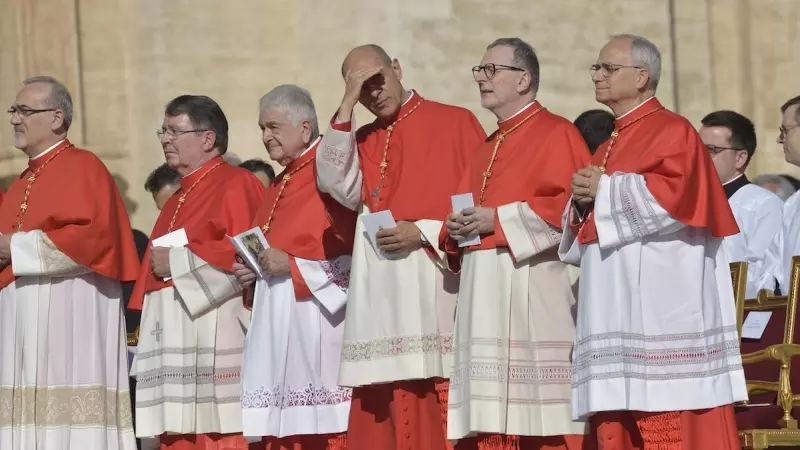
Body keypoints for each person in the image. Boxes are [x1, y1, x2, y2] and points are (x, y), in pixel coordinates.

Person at [559, 34, 746, 449]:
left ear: (642, 77)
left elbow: (676, 198)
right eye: (597, 68)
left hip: (659, 301)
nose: (598, 76)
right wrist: (581, 200)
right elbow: (591, 220)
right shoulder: (609, 142)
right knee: (616, 408)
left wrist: (604, 191)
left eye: (608, 68)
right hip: (612, 299)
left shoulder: (673, 130)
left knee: (660, 408)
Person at [316, 44, 487, 449]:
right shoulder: (363, 138)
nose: (374, 93)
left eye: (378, 80)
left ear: (397, 68)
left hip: (434, 277)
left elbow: (476, 205)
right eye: (362, 89)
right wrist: (345, 105)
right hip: (383, 290)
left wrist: (423, 231)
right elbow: (331, 181)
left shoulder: (455, 122)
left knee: (433, 394)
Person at [441, 38, 591, 449]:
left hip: (532, 280)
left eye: (491, 70)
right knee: (489, 417)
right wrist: (455, 226)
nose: (481, 79)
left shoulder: (558, 132)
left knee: (541, 416)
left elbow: (570, 212)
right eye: (480, 70)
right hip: (482, 283)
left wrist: (499, 218)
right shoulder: (485, 146)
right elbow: (464, 209)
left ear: (523, 79)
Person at [0, 76, 139, 449]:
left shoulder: (84, 167)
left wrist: (15, 247)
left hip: (69, 313)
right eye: (14, 110)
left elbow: (94, 238)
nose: (15, 119)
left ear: (57, 117)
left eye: (25, 110)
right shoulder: (21, 182)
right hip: (20, 318)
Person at [128, 95, 265, 450]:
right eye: (164, 130)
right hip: (177, 341)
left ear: (207, 139)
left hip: (214, 341)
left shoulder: (237, 183)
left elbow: (248, 259)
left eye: (175, 130)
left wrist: (176, 263)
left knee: (218, 435)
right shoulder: (175, 199)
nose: (164, 139)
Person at [234, 84, 357, 449]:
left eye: (273, 127)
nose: (265, 137)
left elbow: (355, 252)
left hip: (316, 318)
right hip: (279, 315)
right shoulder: (280, 180)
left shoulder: (329, 173)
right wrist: (252, 272)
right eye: (261, 128)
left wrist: (293, 265)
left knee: (322, 427)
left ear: (305, 129)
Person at [698, 110, 782, 297]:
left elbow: (761, 274)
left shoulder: (763, 205)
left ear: (740, 158)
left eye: (711, 150)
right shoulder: (689, 201)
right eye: (697, 148)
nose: (699, 157)